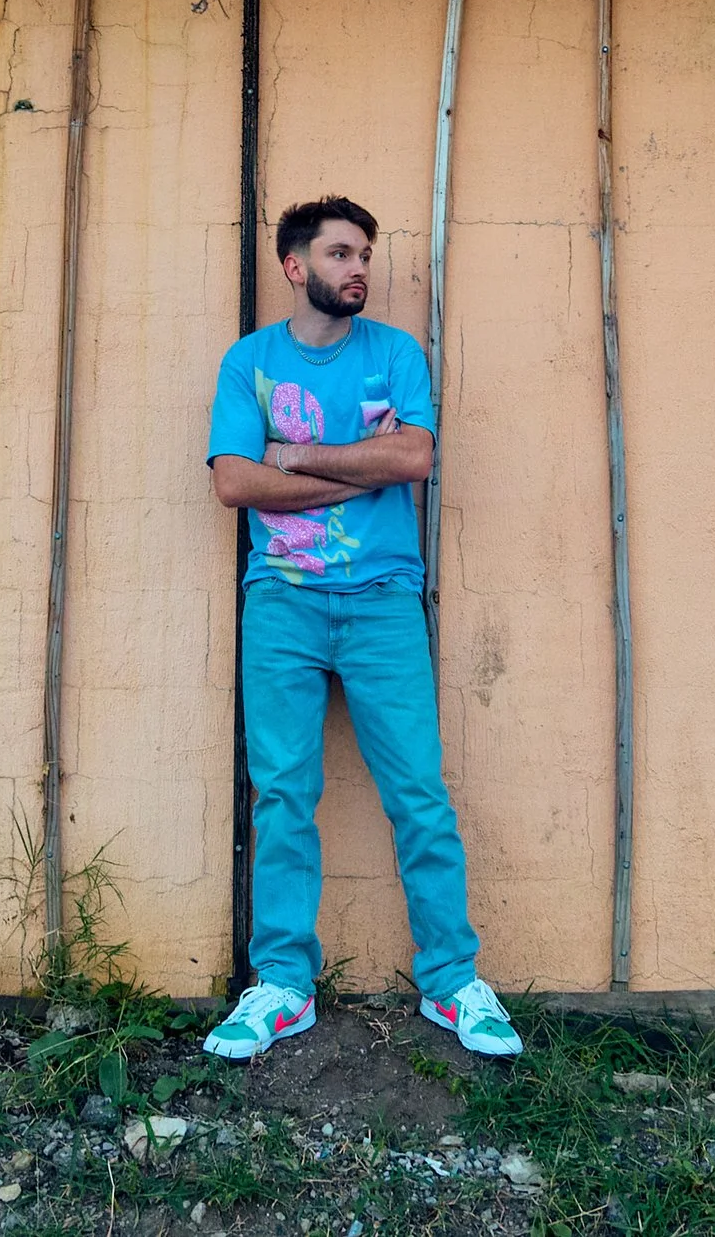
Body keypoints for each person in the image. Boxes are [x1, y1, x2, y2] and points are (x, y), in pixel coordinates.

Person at [200, 195, 521, 1061]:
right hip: (283, 602)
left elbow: (413, 457)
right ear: (295, 266)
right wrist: (360, 471)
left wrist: (296, 457)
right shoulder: (249, 363)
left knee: (418, 793)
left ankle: (453, 983)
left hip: (383, 600)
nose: (360, 268)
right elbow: (233, 481)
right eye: (341, 252)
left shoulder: (396, 354)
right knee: (283, 794)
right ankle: (282, 986)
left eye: (367, 254)